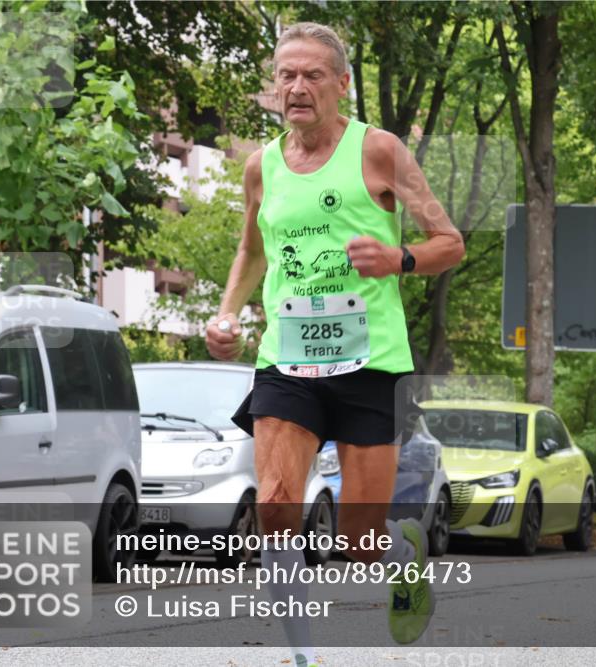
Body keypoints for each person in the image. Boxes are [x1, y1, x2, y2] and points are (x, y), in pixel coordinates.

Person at [205, 22, 464, 666]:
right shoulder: (260, 165)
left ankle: (404, 557)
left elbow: (448, 243)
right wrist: (226, 313)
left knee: (359, 541)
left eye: (312, 75)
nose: (297, 87)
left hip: (369, 361)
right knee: (275, 506)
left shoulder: (378, 152)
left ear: (341, 85)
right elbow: (252, 249)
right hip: (287, 362)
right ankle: (303, 658)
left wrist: (400, 258)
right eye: (286, 76)